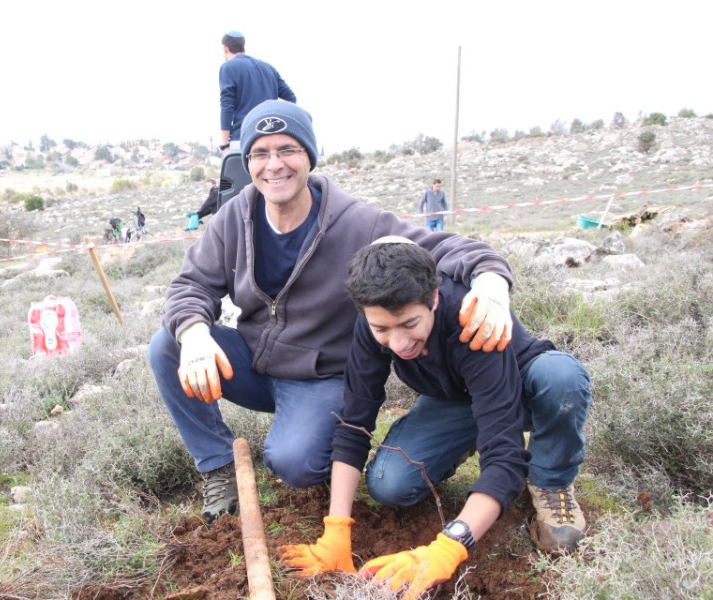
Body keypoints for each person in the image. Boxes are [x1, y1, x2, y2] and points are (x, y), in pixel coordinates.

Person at [148, 100, 515, 525]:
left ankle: (317, 442)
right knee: (167, 346)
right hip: (251, 363)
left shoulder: (359, 223)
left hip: (319, 378)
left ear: (309, 156)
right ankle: (217, 465)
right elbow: (190, 284)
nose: (274, 165)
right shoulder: (234, 217)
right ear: (247, 162)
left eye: (287, 149)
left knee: (295, 464)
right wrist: (194, 335)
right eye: (260, 154)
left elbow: (445, 248)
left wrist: (490, 280)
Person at [281, 238, 591, 597]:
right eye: (382, 329)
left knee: (561, 380)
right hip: (453, 399)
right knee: (388, 484)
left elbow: (504, 457)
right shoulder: (371, 323)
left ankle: (550, 480)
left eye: (409, 323)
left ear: (435, 299)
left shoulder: (469, 319)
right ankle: (463, 440)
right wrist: (335, 528)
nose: (397, 344)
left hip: (515, 385)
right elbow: (354, 422)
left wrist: (450, 546)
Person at [219, 30, 296, 153]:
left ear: (225, 48)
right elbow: (291, 98)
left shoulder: (228, 67)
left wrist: (224, 145)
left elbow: (227, 106)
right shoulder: (268, 68)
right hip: (270, 138)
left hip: (243, 138)